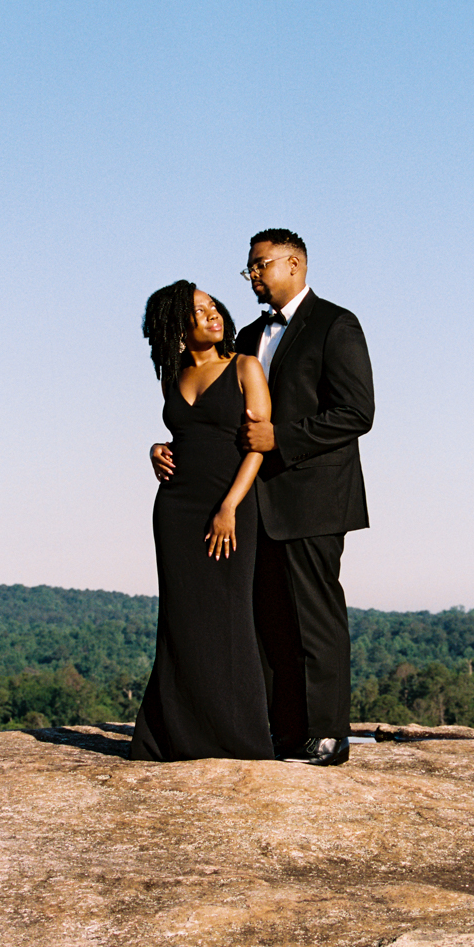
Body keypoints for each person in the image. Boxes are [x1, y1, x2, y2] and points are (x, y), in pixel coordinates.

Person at [235, 229, 374, 766]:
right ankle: (283, 732)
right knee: (268, 623)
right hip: (256, 503)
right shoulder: (247, 335)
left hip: (314, 499)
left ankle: (328, 736)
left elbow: (357, 412)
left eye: (260, 264)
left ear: (294, 264)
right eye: (247, 267)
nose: (252, 275)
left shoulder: (336, 324)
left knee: (314, 619)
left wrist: (282, 440)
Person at [130, 280, 275, 762]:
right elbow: (182, 434)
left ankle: (241, 739)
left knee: (230, 619)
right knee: (180, 619)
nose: (213, 314)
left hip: (230, 507)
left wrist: (230, 506)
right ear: (175, 326)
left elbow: (257, 447)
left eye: (213, 306)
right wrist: (156, 448)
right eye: (198, 310)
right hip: (176, 509)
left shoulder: (245, 368)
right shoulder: (171, 378)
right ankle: (172, 736)